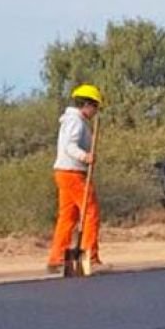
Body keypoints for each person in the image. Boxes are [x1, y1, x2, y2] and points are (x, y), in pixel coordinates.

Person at [46, 84, 104, 274]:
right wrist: (84, 157)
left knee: (68, 216)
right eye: (95, 107)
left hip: (65, 173)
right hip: (72, 172)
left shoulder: (73, 120)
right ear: (87, 104)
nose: (96, 112)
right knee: (90, 212)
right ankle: (90, 257)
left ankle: (57, 258)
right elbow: (69, 146)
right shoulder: (75, 122)